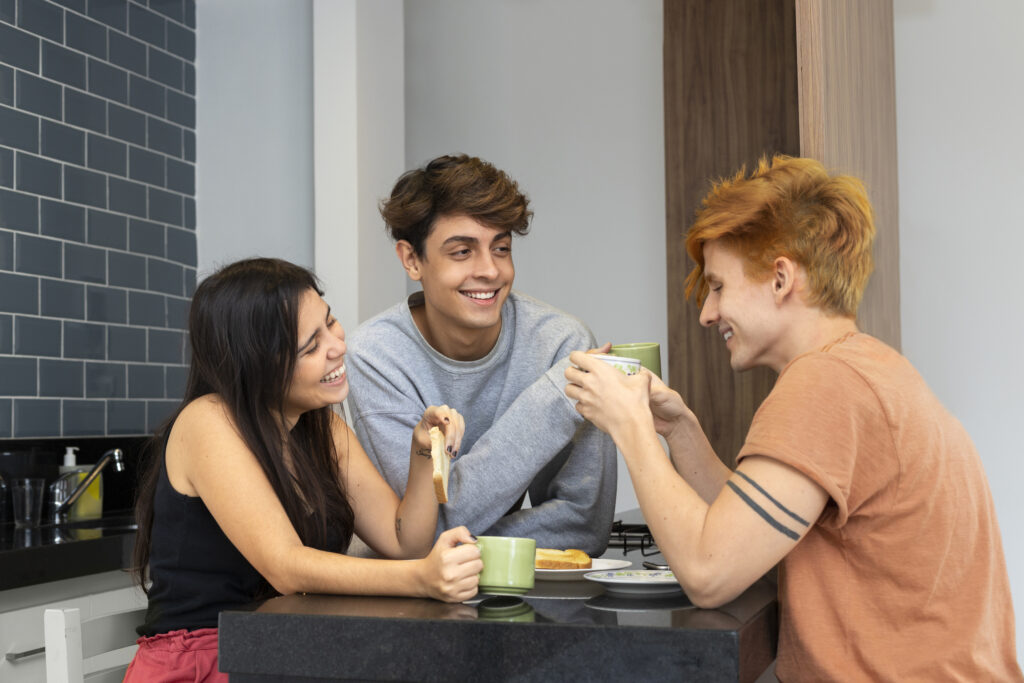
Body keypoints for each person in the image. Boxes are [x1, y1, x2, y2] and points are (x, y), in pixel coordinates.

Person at [565, 156, 1022, 681]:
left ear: (781, 278)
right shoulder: (867, 368)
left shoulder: (823, 387)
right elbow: (748, 532)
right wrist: (679, 431)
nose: (706, 313)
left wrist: (630, 428)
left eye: (717, 286)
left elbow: (710, 573)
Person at [126, 258, 481, 682]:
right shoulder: (209, 422)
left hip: (283, 651)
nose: (337, 347)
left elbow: (404, 541)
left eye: (331, 324)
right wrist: (421, 580)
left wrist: (423, 454)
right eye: (311, 346)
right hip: (206, 662)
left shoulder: (320, 425)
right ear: (256, 365)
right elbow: (287, 567)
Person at [346, 154, 616, 555]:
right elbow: (417, 534)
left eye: (501, 248)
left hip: (517, 594)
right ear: (411, 260)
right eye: (462, 252)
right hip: (403, 602)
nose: (490, 270)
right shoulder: (377, 357)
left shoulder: (561, 343)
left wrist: (457, 547)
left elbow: (582, 526)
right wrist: (551, 402)